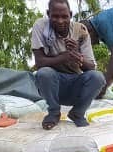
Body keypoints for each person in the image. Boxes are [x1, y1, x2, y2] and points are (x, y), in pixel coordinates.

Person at [32, 0, 106, 129]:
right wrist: (64, 57)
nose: (60, 21)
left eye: (64, 16)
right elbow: (39, 62)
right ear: (48, 14)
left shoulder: (81, 31)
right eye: (55, 16)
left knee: (98, 77)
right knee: (44, 73)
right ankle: (54, 112)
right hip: (53, 86)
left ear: (70, 15)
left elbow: (91, 67)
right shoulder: (40, 26)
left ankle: (77, 113)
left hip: (74, 86)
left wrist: (77, 55)